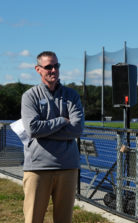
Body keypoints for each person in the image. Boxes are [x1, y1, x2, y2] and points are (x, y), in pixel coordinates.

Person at [21, 51, 84, 223]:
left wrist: (45, 131)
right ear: (38, 69)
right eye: (48, 67)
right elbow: (33, 129)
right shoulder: (30, 96)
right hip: (37, 168)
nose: (53, 70)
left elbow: (77, 129)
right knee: (33, 219)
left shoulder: (71, 96)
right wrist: (62, 120)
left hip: (68, 167)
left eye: (56, 66)